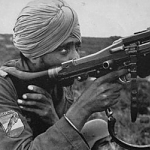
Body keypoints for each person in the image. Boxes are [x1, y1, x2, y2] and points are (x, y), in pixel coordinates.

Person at [0, 0, 127, 149]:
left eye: (77, 46)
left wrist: (53, 118)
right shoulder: (4, 89)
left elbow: (66, 138)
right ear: (34, 54)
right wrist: (83, 108)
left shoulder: (60, 79)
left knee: (99, 129)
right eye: (64, 49)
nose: (76, 57)